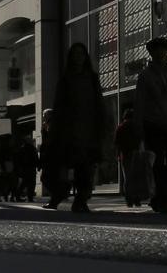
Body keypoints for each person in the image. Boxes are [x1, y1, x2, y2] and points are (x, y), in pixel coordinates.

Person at [46, 42, 106, 213]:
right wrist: (55, 130)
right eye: (75, 54)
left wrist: (102, 124)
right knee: (66, 165)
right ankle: (61, 195)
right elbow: (59, 106)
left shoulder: (92, 78)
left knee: (86, 167)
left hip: (88, 128)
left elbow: (99, 102)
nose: (78, 57)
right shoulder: (66, 79)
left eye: (81, 54)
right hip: (69, 130)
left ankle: (81, 198)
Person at [134, 36, 167, 214]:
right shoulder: (145, 76)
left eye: (163, 50)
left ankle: (158, 196)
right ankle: (163, 200)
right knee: (157, 164)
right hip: (153, 124)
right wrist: (138, 128)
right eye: (156, 51)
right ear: (151, 54)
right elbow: (139, 103)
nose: (160, 54)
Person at [114, 108, 143, 207]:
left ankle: (129, 199)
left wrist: (118, 155)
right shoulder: (136, 127)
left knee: (127, 178)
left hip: (125, 154)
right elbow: (141, 140)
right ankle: (137, 199)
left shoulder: (121, 127)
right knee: (136, 177)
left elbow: (117, 143)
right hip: (136, 153)